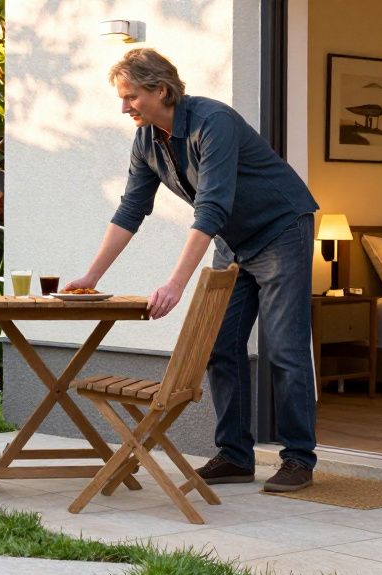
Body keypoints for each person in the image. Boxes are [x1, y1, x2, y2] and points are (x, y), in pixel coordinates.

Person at [64, 48, 320, 492]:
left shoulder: (212, 122)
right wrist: (91, 277)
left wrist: (176, 283)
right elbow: (131, 210)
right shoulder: (147, 140)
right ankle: (236, 456)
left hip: (281, 229)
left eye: (131, 97)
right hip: (233, 241)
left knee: (284, 347)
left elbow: (212, 205)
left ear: (160, 90)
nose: (124, 107)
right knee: (219, 346)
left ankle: (298, 459)